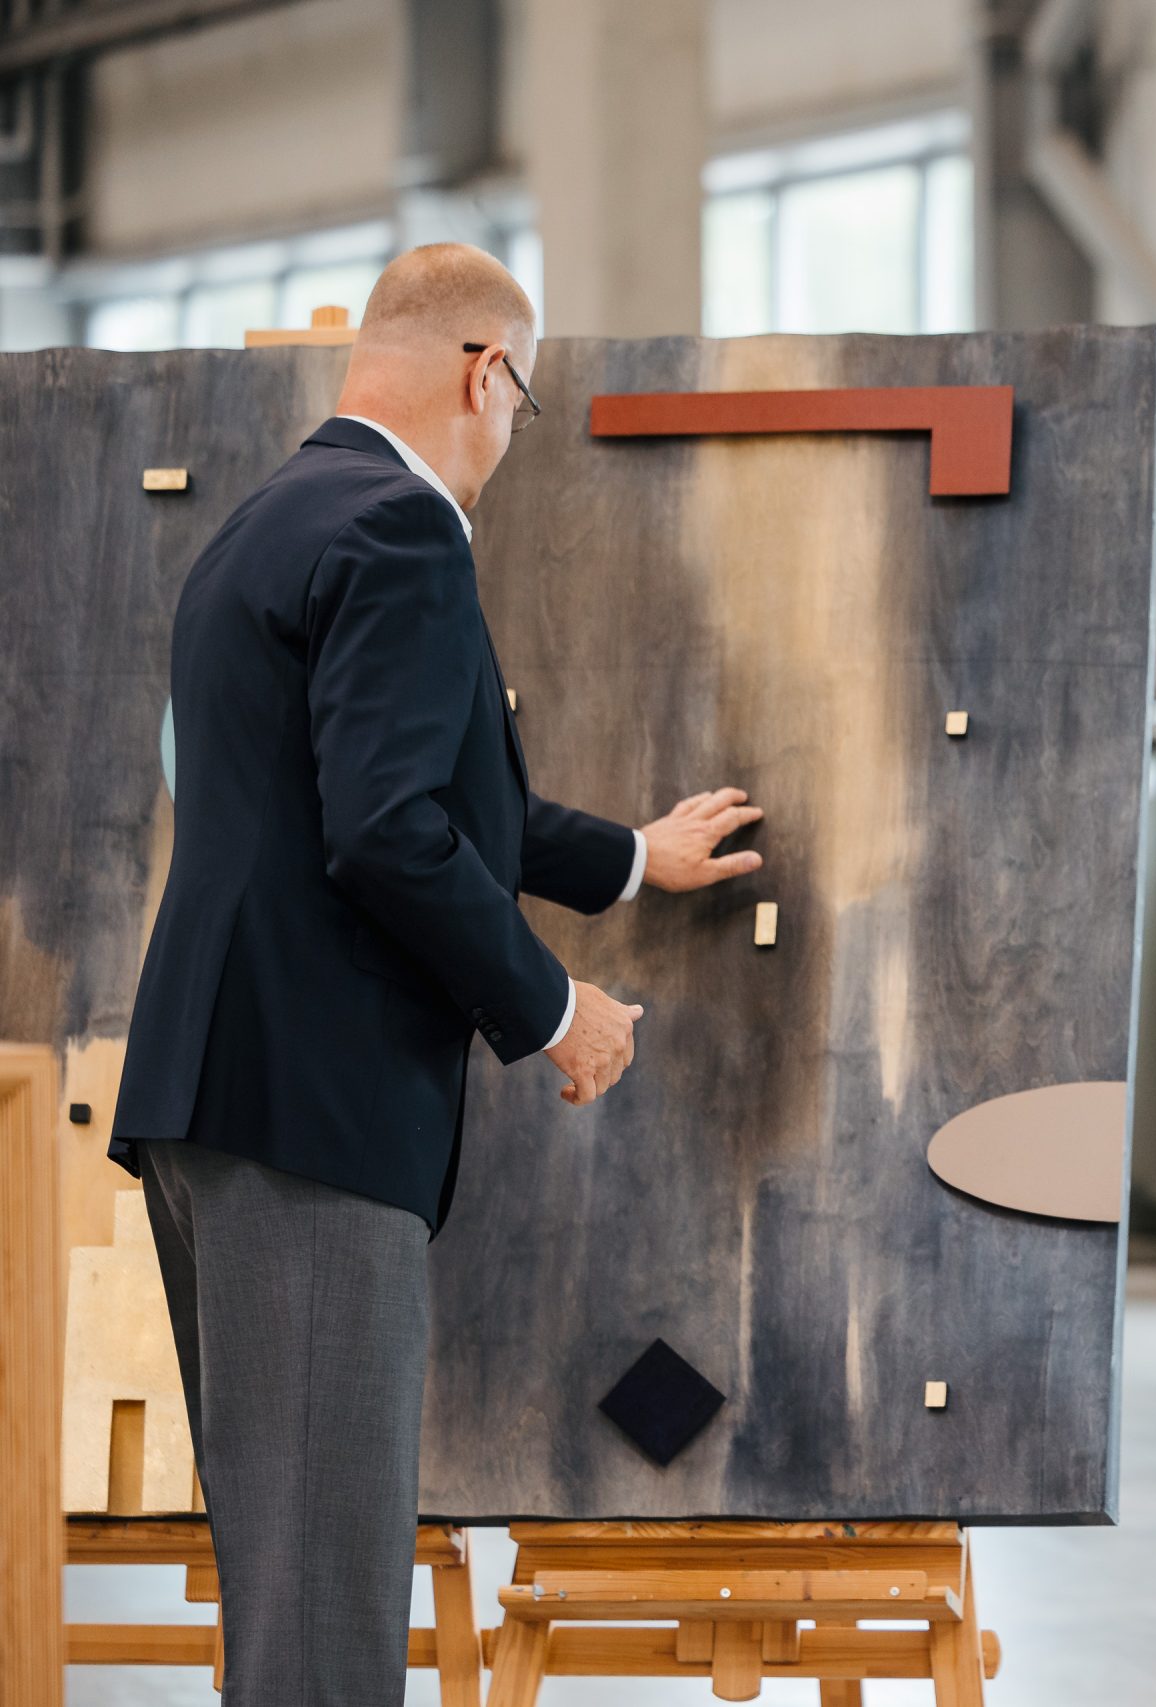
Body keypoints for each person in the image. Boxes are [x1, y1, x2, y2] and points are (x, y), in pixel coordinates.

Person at [111, 243, 766, 1704]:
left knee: (286, 1579)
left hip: (215, 1098)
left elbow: (405, 800)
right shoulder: (406, 530)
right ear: (486, 374)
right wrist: (555, 1012)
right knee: (325, 1599)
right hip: (315, 1113)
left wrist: (629, 858)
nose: (511, 439)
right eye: (522, 407)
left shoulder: (268, 524)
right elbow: (390, 836)